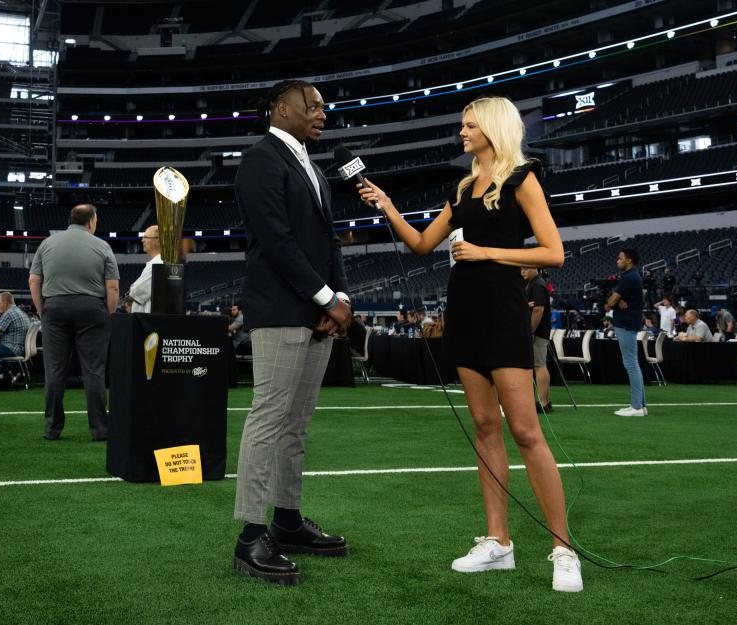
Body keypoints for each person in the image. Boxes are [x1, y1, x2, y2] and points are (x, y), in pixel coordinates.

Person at [358, 96, 582, 592]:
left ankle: (563, 548)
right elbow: (420, 244)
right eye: (461, 125)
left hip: (503, 314)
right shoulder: (462, 187)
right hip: (464, 314)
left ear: (493, 128)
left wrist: (485, 252)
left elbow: (554, 252)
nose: (461, 133)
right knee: (484, 426)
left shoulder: (523, 180)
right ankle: (498, 543)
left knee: (525, 431)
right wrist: (389, 205)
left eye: (469, 125)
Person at [231, 79, 352, 587]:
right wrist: (324, 297)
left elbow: (326, 242)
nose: (322, 113)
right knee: (270, 419)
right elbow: (276, 241)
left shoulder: (312, 165)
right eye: (313, 105)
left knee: (295, 424)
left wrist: (340, 297)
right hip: (282, 309)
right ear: (282, 109)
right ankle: (250, 537)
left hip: (315, 310)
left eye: (324, 106)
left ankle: (285, 520)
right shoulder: (261, 158)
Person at [29, 204, 119, 442]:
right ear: (90, 221)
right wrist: (108, 315)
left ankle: (52, 429)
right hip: (92, 310)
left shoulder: (47, 244)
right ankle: (100, 430)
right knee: (93, 372)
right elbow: (113, 287)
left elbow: (34, 280)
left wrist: (42, 310)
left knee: (55, 371)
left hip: (55, 309)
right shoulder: (102, 246)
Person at [605, 249, 647, 417]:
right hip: (629, 321)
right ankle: (640, 406)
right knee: (633, 363)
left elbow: (610, 302)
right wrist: (618, 301)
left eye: (620, 258)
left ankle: (637, 407)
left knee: (631, 364)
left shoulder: (629, 277)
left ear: (629, 260)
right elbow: (616, 300)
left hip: (626, 322)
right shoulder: (632, 276)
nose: (617, 260)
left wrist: (614, 302)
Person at [521, 267, 552, 414]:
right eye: (521, 269)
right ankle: (545, 401)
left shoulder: (538, 285)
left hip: (538, 331)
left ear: (535, 268)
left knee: (539, 366)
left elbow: (538, 309)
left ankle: (543, 403)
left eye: (526, 269)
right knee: (539, 365)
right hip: (538, 330)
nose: (523, 271)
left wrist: (531, 331)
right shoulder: (532, 284)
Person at [126, 225, 163, 313]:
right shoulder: (156, 262)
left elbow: (136, 291)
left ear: (158, 240)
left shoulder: (158, 263)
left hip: (148, 320)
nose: (142, 240)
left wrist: (132, 288)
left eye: (146, 237)